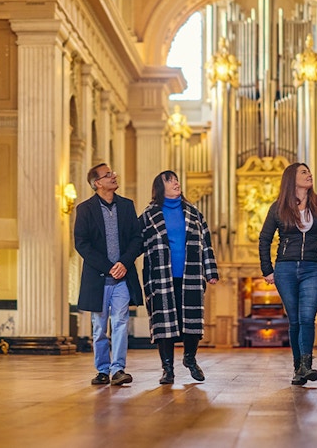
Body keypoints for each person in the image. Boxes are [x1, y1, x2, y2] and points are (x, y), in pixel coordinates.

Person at [259, 162, 317, 385]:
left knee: (306, 318)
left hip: (313, 268)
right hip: (285, 268)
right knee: (294, 321)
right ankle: (298, 369)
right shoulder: (278, 207)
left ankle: (306, 364)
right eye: (304, 172)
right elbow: (264, 239)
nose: (309, 175)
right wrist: (267, 269)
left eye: (309, 171)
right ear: (291, 179)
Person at [139, 170, 219, 384]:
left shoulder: (194, 213)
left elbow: (206, 244)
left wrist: (210, 271)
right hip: (160, 277)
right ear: (160, 187)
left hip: (190, 275)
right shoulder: (149, 215)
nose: (176, 182)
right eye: (170, 180)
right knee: (164, 323)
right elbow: (135, 243)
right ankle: (167, 369)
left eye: (176, 179)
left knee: (191, 321)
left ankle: (190, 359)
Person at [74, 163, 143, 386]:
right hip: (98, 279)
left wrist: (124, 262)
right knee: (99, 327)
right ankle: (102, 369)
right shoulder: (85, 210)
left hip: (123, 278)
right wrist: (108, 267)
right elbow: (82, 244)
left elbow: (137, 239)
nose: (114, 176)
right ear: (98, 183)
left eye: (113, 173)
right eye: (108, 175)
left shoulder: (126, 206)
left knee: (121, 322)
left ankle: (118, 370)